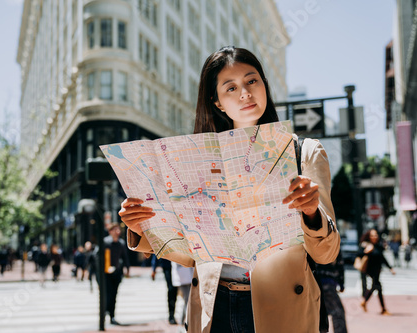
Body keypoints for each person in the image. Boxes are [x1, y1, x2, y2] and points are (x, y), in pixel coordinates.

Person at [119, 46, 340, 332]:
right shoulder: (198, 161)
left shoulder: (302, 152)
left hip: (280, 306)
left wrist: (311, 212)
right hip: (214, 306)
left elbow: (326, 253)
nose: (245, 93)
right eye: (231, 88)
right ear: (218, 102)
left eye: (252, 81)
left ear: (264, 85)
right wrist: (140, 227)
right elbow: (190, 253)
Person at [359, 229, 395, 315]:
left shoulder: (378, 246)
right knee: (377, 286)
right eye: (372, 235)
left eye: (376, 235)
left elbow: (382, 258)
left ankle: (365, 301)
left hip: (377, 270)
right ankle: (382, 309)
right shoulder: (366, 245)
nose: (375, 237)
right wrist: (366, 251)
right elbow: (359, 255)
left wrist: (390, 268)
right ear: (369, 237)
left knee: (377, 287)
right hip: (370, 270)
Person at [100, 222, 130, 325]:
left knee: (114, 295)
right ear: (110, 231)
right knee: (107, 294)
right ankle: (104, 313)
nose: (118, 231)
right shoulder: (105, 242)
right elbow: (97, 256)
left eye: (118, 229)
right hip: (106, 273)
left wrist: (127, 268)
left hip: (116, 273)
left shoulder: (121, 243)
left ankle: (112, 315)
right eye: (115, 229)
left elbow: (125, 257)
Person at [316, 252, 347, 333]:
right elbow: (340, 264)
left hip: (314, 281)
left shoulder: (310, 241)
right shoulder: (333, 242)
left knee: (319, 311)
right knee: (338, 312)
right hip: (327, 281)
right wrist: (341, 283)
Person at [151, 255, 178, 325]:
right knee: (171, 289)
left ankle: (173, 314)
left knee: (175, 290)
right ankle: (171, 315)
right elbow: (157, 252)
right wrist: (154, 269)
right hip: (167, 266)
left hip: (178, 266)